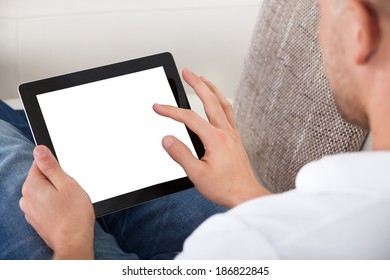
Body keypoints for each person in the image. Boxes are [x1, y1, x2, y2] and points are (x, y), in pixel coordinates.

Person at [2, 0, 390, 259]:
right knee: (44, 138)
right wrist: (246, 193)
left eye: (323, 13)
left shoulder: (247, 243)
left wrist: (72, 241)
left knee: (11, 157)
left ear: (360, 31)